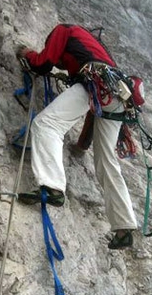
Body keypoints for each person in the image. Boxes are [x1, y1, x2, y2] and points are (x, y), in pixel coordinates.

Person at [16, 23, 140, 250]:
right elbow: (94, 116)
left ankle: (52, 187)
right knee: (106, 161)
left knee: (46, 123)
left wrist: (27, 54)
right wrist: (81, 145)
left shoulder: (62, 31)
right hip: (117, 96)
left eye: (62, 62)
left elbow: (44, 62)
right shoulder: (95, 50)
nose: (61, 66)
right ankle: (124, 227)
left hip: (97, 83)